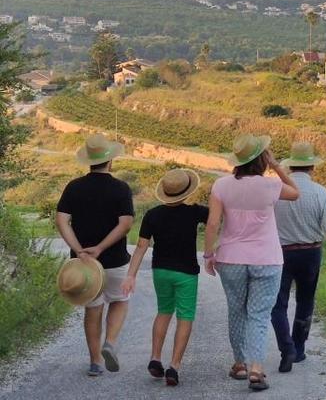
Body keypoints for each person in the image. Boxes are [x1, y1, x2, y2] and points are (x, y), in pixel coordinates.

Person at [204, 134, 300, 392]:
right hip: (267, 259)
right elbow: (295, 193)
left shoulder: (221, 185)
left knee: (237, 311)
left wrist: (208, 254)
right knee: (259, 315)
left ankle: (239, 365)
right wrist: (277, 166)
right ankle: (257, 368)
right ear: (262, 160)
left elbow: (213, 223)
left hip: (231, 258)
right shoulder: (270, 186)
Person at [56, 134, 135, 377]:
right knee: (120, 301)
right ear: (110, 161)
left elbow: (61, 220)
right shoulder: (121, 188)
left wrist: (79, 249)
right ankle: (110, 342)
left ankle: (95, 362)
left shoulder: (74, 187)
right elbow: (125, 224)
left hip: (84, 265)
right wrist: (101, 247)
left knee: (93, 309)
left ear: (88, 161)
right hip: (114, 260)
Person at [122, 168, 206, 387]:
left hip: (161, 271)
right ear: (187, 192)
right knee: (185, 317)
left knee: (164, 312)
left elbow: (141, 246)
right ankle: (174, 367)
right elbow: (218, 217)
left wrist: (131, 275)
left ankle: (155, 357)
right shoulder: (195, 212)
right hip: (186, 273)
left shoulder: (152, 214)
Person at [271, 142, 326, 373]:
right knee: (305, 301)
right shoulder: (321, 193)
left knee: (277, 304)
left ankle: (286, 348)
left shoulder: (277, 190)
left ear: (291, 166)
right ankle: (299, 348)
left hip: (280, 253)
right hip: (311, 252)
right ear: (312, 167)